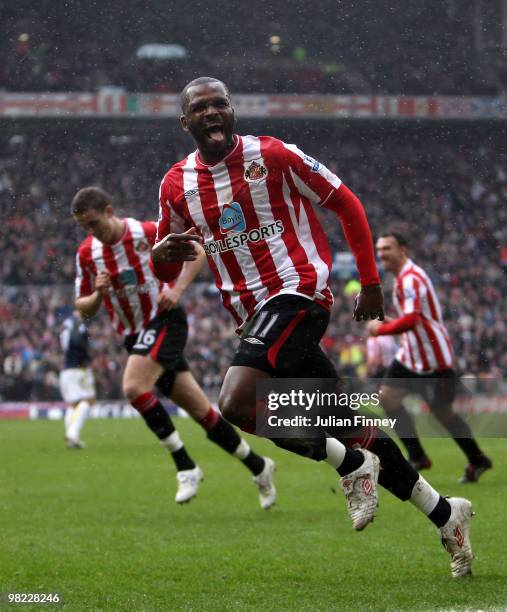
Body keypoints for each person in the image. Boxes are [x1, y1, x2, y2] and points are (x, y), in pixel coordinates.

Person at [151, 77, 475, 576]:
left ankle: (347, 466)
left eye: (221, 104)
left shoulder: (275, 155)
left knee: (238, 402)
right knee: (350, 426)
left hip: (298, 292)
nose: (213, 112)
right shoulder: (176, 184)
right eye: (201, 107)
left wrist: (370, 281)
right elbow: (166, 259)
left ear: (233, 111)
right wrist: (158, 254)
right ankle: (444, 512)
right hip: (253, 318)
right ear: (185, 121)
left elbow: (347, 203)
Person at [71, 186, 276, 508]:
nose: (92, 232)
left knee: (134, 388)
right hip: (135, 337)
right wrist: (97, 295)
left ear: (110, 211)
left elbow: (199, 249)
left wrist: (178, 289)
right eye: (85, 227)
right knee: (201, 411)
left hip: (165, 321)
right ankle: (259, 466)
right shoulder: (88, 253)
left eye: (95, 223)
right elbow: (83, 308)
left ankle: (185, 465)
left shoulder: (149, 233)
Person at [366, 232, 492, 483]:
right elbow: (416, 319)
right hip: (410, 356)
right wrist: (389, 322)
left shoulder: (411, 279)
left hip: (434, 360)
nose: (382, 255)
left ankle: (478, 460)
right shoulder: (403, 278)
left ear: (403, 249)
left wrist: (380, 330)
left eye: (387, 249)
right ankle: (417, 456)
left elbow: (412, 321)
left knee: (443, 414)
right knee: (387, 398)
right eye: (379, 250)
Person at [59, 310, 95, 448]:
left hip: (67, 369)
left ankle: (71, 436)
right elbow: (78, 342)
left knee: (73, 404)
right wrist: (86, 358)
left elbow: (66, 344)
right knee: (88, 400)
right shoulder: (79, 325)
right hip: (78, 369)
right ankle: (73, 432)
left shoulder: (65, 324)